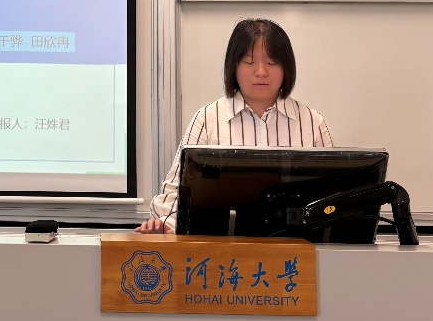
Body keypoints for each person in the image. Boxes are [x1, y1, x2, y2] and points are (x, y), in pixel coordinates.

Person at [137, 18, 334, 233]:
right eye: (249, 62)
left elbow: (335, 192)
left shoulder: (311, 122)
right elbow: (176, 191)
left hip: (297, 244)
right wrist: (166, 223)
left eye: (272, 62)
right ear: (234, 67)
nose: (261, 72)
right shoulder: (207, 119)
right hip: (222, 245)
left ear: (287, 67)